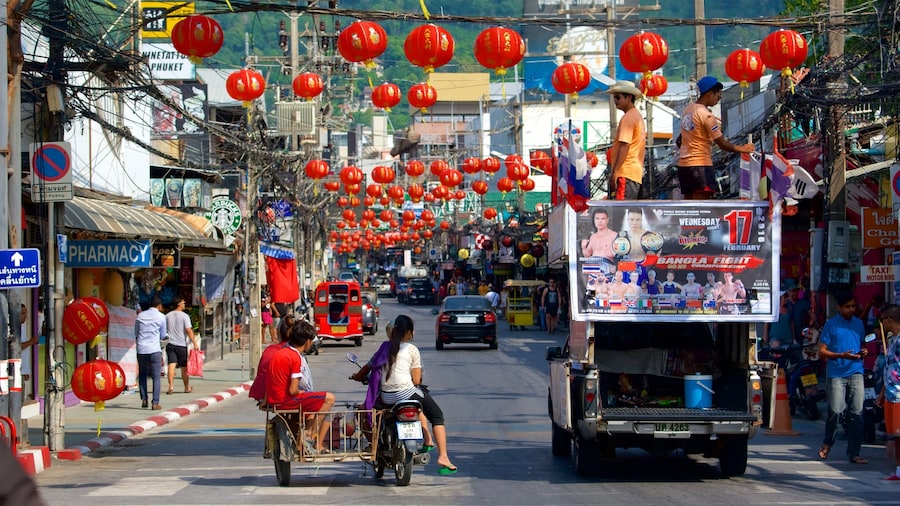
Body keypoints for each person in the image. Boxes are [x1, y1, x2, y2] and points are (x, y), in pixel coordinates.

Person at [351, 315, 457, 474]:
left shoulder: (384, 347)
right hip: (407, 394)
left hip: (387, 396)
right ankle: (443, 457)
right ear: (409, 332)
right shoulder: (412, 349)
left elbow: (366, 370)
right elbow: (416, 380)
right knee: (437, 416)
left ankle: (375, 444)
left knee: (368, 410)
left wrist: (356, 376)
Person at [676, 75, 755, 199]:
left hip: (684, 167)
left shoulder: (687, 110)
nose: (718, 99)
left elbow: (680, 140)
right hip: (700, 166)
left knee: (689, 209)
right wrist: (743, 149)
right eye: (718, 95)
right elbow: (722, 144)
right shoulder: (706, 115)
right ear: (710, 93)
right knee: (702, 209)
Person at [265, 320, 336, 454]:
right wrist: (301, 391)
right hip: (286, 400)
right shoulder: (295, 357)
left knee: (314, 402)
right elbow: (293, 390)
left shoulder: (280, 353)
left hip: (275, 399)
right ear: (307, 342)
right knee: (330, 398)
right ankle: (309, 435)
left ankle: (303, 442)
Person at [817, 291, 868, 464]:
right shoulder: (831, 324)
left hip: (856, 371)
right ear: (839, 307)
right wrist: (840, 355)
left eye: (853, 306)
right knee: (836, 411)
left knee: (857, 414)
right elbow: (822, 350)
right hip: (837, 373)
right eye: (848, 307)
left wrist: (864, 351)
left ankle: (854, 453)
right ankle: (827, 442)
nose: (851, 309)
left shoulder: (859, 324)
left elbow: (862, 344)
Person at [606, 81, 646, 200]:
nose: (615, 100)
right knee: (629, 213)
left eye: (618, 97)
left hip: (625, 172)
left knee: (622, 213)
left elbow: (624, 146)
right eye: (614, 97)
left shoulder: (628, 118)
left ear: (628, 97)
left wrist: (615, 172)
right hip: (633, 173)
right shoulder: (636, 116)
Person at [876, 303, 900, 480]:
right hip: (891, 393)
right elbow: (890, 368)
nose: (882, 324)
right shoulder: (892, 340)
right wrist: (882, 391)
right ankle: (898, 470)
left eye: (883, 320)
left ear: (890, 320)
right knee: (894, 434)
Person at [135, 296, 167, 410]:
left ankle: (144, 399)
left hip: (141, 349)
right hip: (154, 350)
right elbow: (163, 335)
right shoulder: (161, 317)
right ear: (159, 306)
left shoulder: (140, 316)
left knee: (142, 374)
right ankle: (155, 402)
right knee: (156, 377)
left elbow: (136, 333)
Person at [165, 297, 200, 395]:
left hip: (170, 344)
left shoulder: (167, 316)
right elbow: (188, 330)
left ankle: (171, 386)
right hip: (181, 345)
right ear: (179, 304)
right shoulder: (185, 316)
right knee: (184, 367)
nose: (184, 304)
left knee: (171, 364)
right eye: (183, 302)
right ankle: (186, 387)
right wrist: (195, 343)